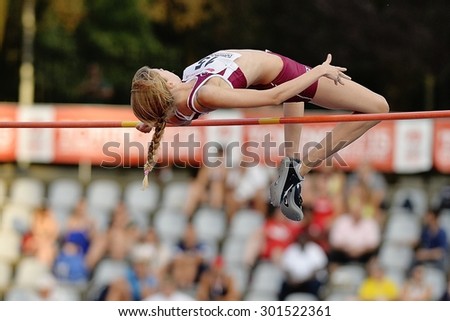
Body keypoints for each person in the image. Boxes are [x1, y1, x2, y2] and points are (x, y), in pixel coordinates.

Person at [131, 49, 389, 221]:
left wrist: (153, 121)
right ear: (167, 85)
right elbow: (275, 97)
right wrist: (317, 72)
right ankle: (299, 170)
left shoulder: (176, 106)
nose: (165, 68)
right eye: (161, 70)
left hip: (270, 70)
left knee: (296, 96)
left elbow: (173, 117)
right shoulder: (202, 92)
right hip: (280, 75)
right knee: (378, 108)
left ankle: (290, 165)